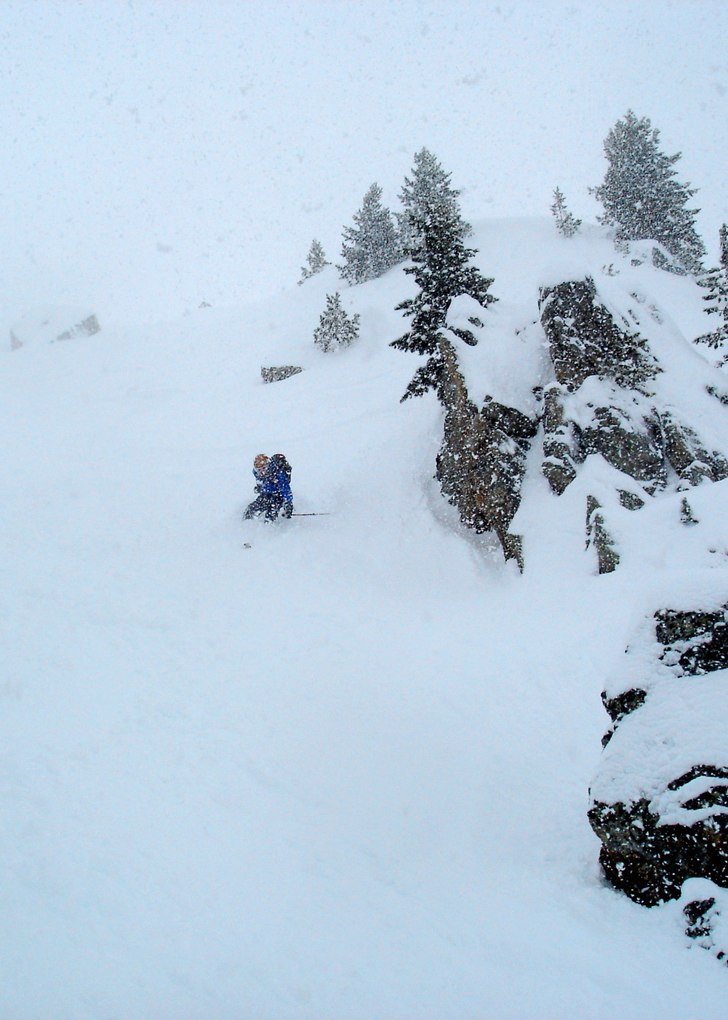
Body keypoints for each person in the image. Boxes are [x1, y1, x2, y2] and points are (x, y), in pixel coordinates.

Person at [243, 452, 293, 521]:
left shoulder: (278, 473)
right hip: (266, 495)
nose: (262, 472)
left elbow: (285, 489)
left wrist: (288, 504)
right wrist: (260, 489)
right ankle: (245, 524)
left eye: (264, 468)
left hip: (278, 496)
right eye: (259, 470)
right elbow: (263, 484)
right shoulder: (258, 475)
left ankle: (270, 529)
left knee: (271, 513)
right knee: (251, 508)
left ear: (267, 465)